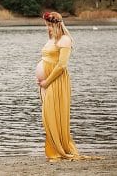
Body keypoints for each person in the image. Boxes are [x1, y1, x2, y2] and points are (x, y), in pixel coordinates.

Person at [36, 12, 80, 161]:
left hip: (56, 81)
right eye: (46, 25)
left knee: (53, 116)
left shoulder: (65, 40)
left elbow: (61, 65)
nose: (47, 28)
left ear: (56, 25)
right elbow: (48, 58)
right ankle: (54, 147)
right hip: (45, 82)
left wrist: (47, 81)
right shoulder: (52, 39)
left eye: (49, 25)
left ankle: (59, 149)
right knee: (47, 117)